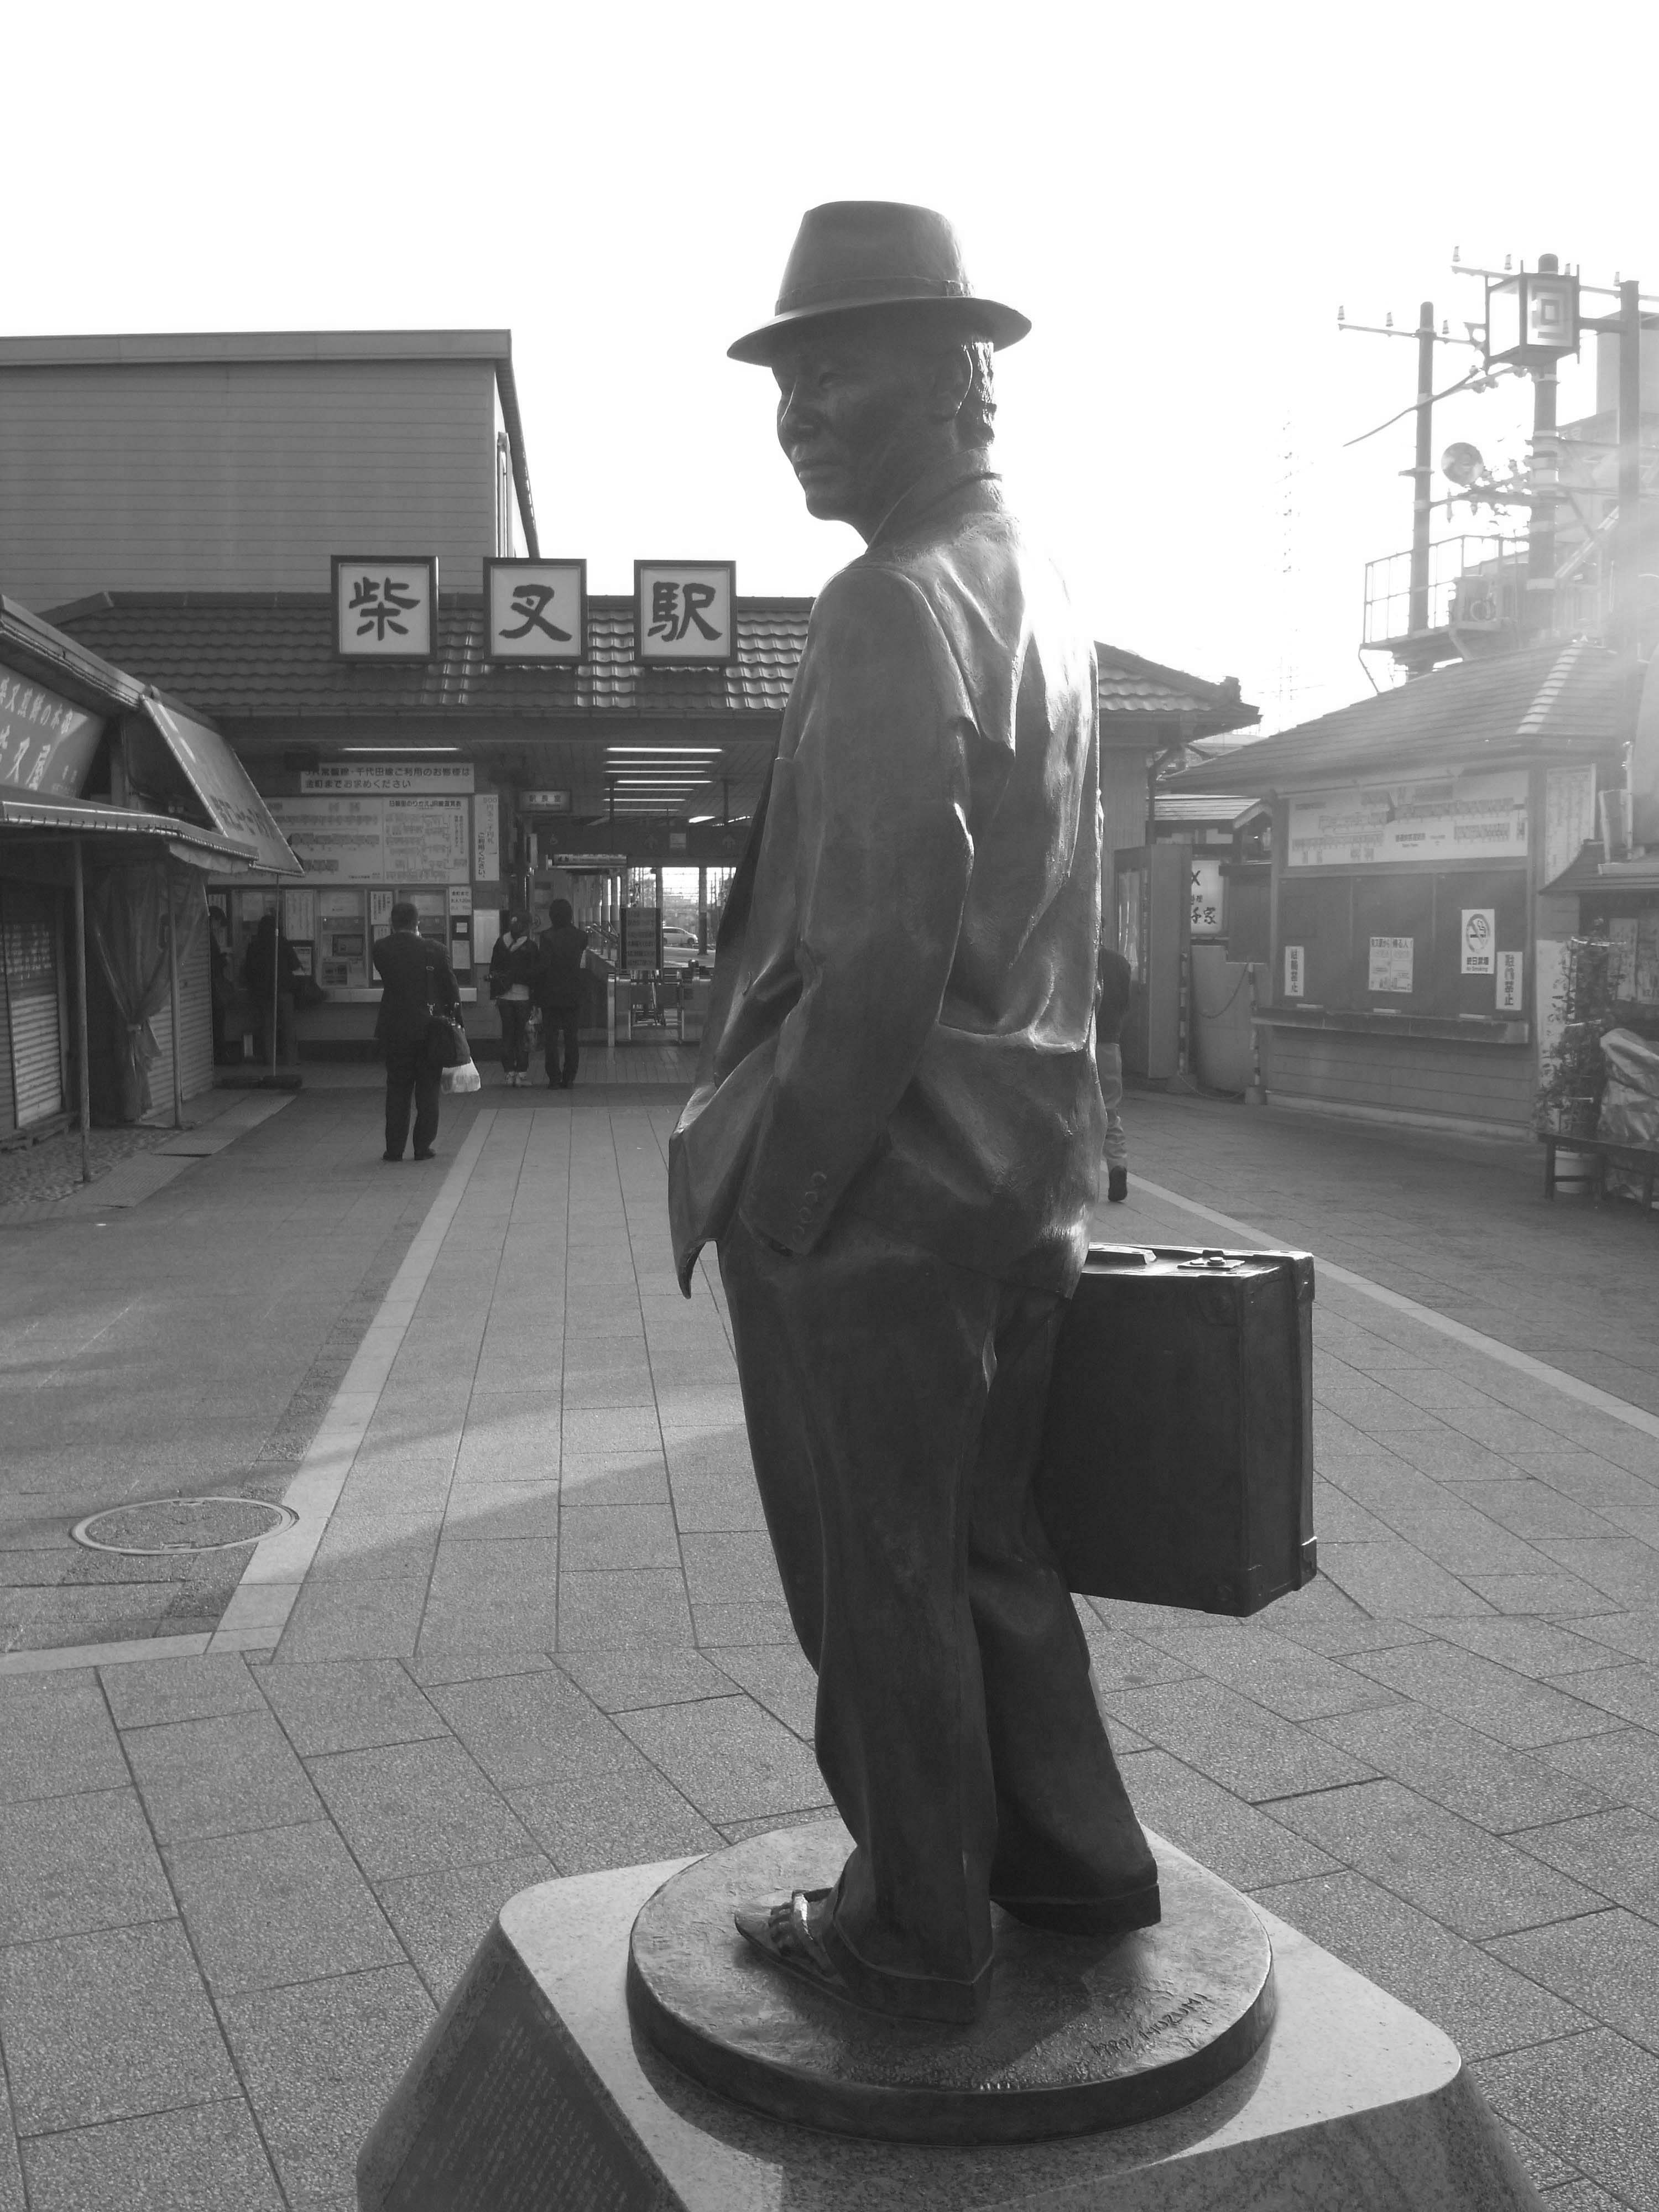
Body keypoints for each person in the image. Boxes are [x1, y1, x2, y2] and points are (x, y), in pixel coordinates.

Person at [669, 202, 1156, 2025]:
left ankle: (916, 1922)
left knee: (879, 1575)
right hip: (1021, 1168)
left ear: (954, 379)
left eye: (832, 371)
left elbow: (882, 934)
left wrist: (782, 1194)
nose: (798, 411)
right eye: (783, 381)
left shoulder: (892, 599)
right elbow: (1066, 908)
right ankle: (1078, 1863)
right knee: (993, 1548)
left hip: (883, 1187)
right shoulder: (1030, 581)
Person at [372, 902, 460, 1162]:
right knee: (428, 1089)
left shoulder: (381, 949)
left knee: (397, 1089)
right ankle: (423, 1147)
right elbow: (450, 988)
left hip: (395, 1029)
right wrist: (458, 1025)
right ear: (417, 922)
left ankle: (394, 1149)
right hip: (429, 1030)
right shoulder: (435, 950)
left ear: (392, 923)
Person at [535, 898, 589, 1089]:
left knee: (551, 1039)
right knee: (571, 1038)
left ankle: (554, 1078)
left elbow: (543, 966)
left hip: (550, 995)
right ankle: (569, 1077)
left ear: (552, 915)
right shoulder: (582, 937)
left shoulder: (547, 937)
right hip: (573, 993)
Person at [242, 911, 301, 1068]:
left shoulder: (254, 945)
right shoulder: (282, 942)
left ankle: (270, 1060)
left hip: (263, 992)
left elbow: (248, 970)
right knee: (288, 1026)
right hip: (284, 991)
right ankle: (291, 1060)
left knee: (268, 1027)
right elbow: (295, 965)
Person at [1097, 945, 1133, 1202]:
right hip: (1109, 1045)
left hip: (1075, 1046)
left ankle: (1078, 1174)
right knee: (1109, 1110)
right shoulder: (1120, 964)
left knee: (1072, 1112)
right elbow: (1125, 1005)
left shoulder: (1072, 954)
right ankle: (1117, 1166)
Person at [488, 912, 539, 1087]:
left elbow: (493, 969)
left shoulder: (500, 943)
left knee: (507, 1035)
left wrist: (494, 995)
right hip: (523, 997)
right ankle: (521, 1075)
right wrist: (535, 1001)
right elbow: (535, 976)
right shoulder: (531, 947)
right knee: (522, 1036)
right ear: (526, 927)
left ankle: (509, 1074)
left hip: (504, 997)